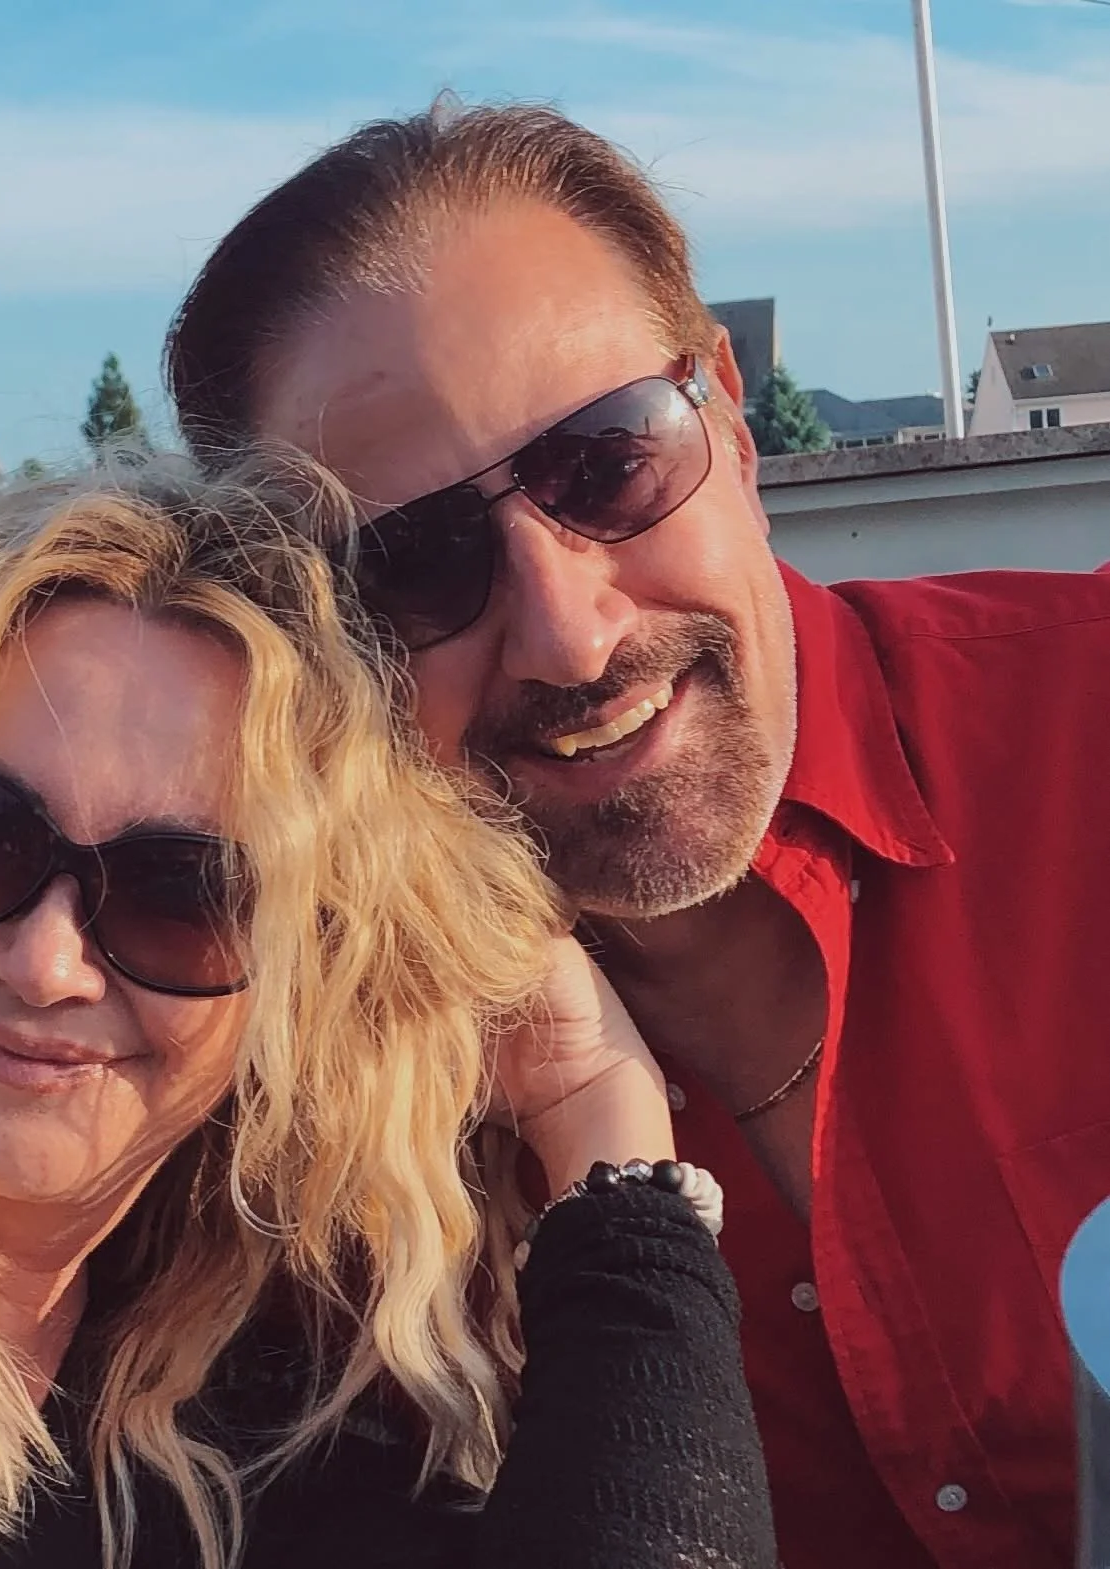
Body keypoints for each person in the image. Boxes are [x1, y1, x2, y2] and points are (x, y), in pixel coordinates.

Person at [165, 100, 1110, 1569]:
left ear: (726, 415)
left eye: (607, 464)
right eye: (409, 565)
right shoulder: (323, 1111)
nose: (565, 632)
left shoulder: (1084, 720)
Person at [0, 456, 774, 1569]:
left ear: (311, 968)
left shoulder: (241, 1449)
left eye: (187, 895)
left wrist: (599, 1122)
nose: (44, 963)